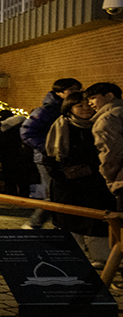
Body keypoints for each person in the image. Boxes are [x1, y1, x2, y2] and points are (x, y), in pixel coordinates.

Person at [45, 91, 113, 264]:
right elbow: (50, 157)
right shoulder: (60, 127)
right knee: (69, 221)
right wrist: (62, 173)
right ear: (69, 107)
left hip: (95, 183)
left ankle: (102, 259)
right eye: (79, 106)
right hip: (66, 185)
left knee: (96, 221)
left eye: (87, 105)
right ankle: (72, 257)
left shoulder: (100, 124)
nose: (85, 109)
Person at [21, 78, 81, 228]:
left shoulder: (76, 107)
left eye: (78, 89)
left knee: (65, 191)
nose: (77, 93)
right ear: (59, 92)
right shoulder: (47, 111)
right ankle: (39, 222)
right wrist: (49, 148)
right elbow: (27, 132)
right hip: (47, 158)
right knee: (57, 191)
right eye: (72, 90)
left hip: (69, 157)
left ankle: (60, 224)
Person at [85, 82, 123, 214]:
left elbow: (110, 153)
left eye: (93, 98)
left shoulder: (108, 118)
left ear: (109, 96)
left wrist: (110, 180)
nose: (90, 103)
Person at [0, 110, 33, 198]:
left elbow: (3, 145)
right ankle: (25, 198)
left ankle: (11, 198)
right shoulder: (25, 126)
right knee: (24, 181)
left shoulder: (3, 129)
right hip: (24, 157)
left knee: (10, 180)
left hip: (9, 157)